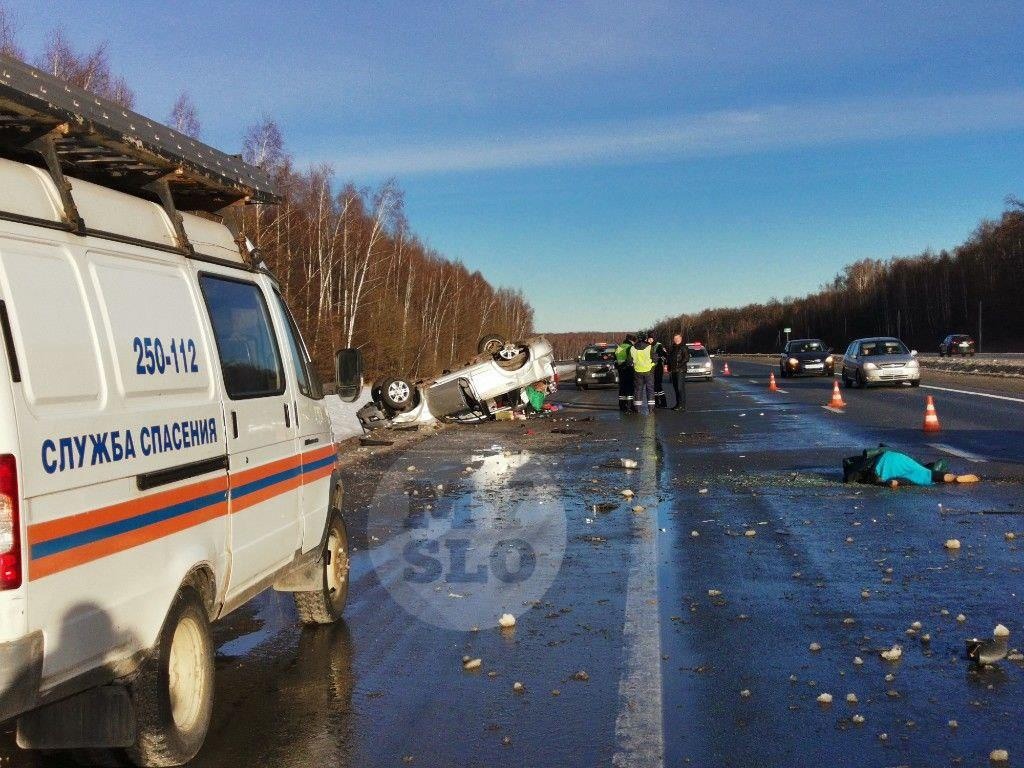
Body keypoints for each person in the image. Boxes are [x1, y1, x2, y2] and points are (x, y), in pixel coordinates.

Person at [630, 332, 657, 415]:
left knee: (638, 390)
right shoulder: (649, 347)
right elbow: (655, 359)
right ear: (645, 339)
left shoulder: (632, 348)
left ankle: (637, 409)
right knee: (650, 390)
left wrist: (634, 366)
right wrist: (652, 367)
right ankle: (651, 409)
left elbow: (629, 361)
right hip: (648, 371)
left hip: (637, 371)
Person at [667, 332, 689, 411]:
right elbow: (669, 358)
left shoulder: (683, 347)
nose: (676, 340)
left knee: (680, 388)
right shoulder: (672, 347)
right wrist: (668, 366)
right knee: (675, 388)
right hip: (673, 370)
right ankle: (677, 404)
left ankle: (682, 405)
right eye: (675, 338)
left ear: (681, 339)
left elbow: (686, 358)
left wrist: (678, 365)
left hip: (681, 370)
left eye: (677, 338)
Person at [614, 334, 636, 413]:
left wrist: (619, 366)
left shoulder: (619, 347)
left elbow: (615, 359)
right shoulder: (631, 347)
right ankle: (629, 405)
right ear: (631, 341)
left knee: (622, 388)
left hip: (621, 370)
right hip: (629, 369)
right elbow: (632, 359)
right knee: (630, 388)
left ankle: (622, 405)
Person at [651, 333, 669, 408]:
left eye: (650, 339)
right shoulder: (649, 346)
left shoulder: (659, 345)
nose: (649, 340)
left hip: (658, 367)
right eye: (648, 339)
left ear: (653, 339)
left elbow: (664, 355)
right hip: (652, 368)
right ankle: (657, 402)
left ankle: (663, 402)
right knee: (654, 386)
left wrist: (665, 365)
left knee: (658, 385)